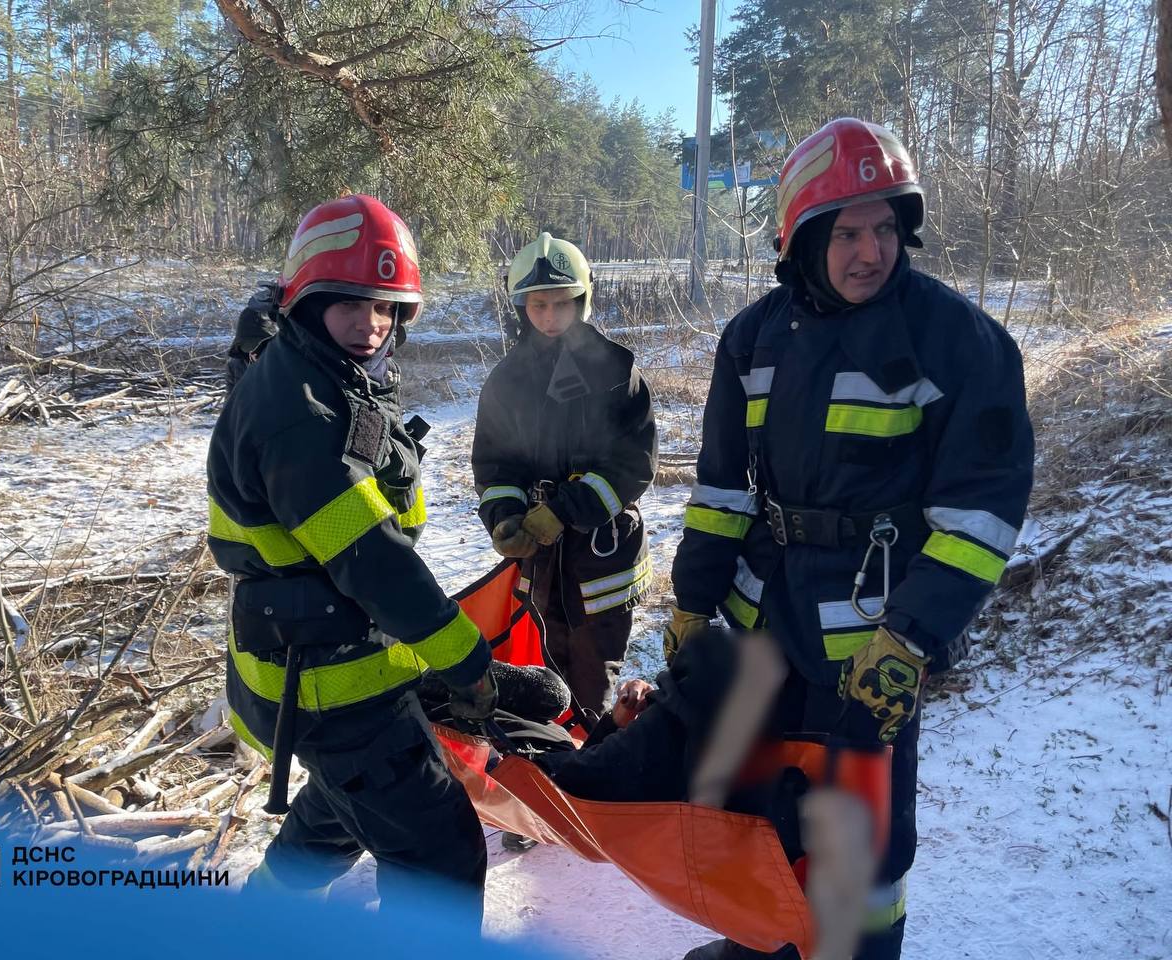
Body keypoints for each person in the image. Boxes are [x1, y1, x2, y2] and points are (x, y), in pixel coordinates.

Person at [664, 118, 1035, 960]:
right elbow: (722, 493)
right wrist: (692, 607)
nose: (873, 251)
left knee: (861, 843)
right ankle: (762, 944)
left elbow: (979, 516)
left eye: (886, 228)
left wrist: (911, 636)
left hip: (871, 638)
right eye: (849, 232)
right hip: (764, 622)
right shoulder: (751, 339)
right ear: (800, 239)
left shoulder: (956, 339)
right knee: (758, 809)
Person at [206, 195, 497, 926]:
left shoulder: (324, 373)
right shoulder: (299, 412)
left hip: (318, 665)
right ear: (309, 303)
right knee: (440, 857)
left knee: (337, 813)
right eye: (350, 305)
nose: (370, 325)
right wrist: (467, 660)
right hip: (329, 687)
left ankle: (257, 922)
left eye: (385, 308)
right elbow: (372, 559)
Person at [471, 232, 658, 724]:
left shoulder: (618, 371)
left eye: (560, 304)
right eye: (537, 306)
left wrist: (565, 510)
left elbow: (634, 464)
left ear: (582, 301)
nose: (550, 318)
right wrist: (505, 516)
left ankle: (595, 774)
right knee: (544, 678)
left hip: (602, 562)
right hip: (540, 562)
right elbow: (495, 465)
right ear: (521, 307)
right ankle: (553, 768)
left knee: (594, 687)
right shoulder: (506, 380)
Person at [224, 282, 279, 394]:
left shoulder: (285, 362)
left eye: (258, 346)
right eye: (247, 346)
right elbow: (231, 402)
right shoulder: (236, 364)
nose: (253, 352)